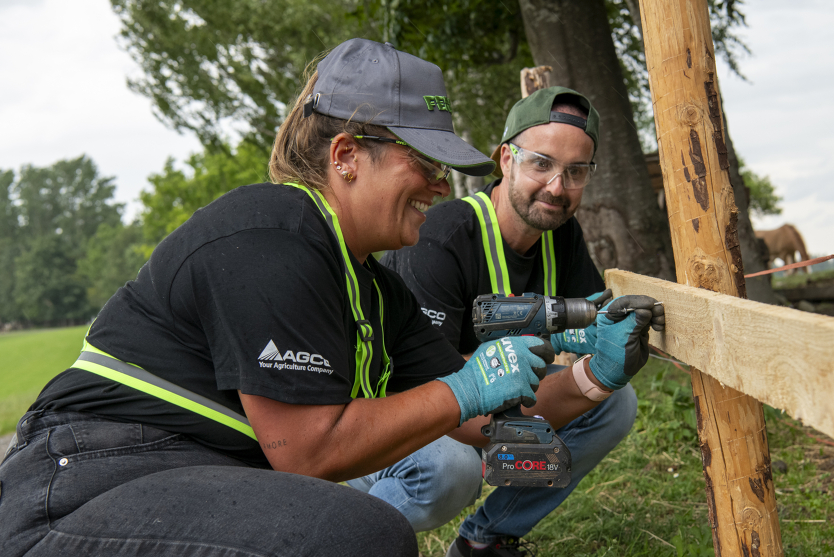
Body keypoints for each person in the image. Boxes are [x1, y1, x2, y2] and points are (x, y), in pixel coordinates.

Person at [0, 39, 659, 557]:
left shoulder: (374, 288)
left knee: (353, 529)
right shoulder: (274, 230)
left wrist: (594, 378)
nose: (438, 186)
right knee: (356, 535)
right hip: (86, 482)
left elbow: (479, 420)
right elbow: (307, 452)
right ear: (347, 154)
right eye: (424, 163)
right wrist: (465, 387)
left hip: (185, 474)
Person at [378, 86, 665, 556]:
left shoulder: (560, 232)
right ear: (506, 159)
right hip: (400, 415)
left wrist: (604, 333)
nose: (557, 186)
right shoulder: (442, 239)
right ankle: (335, 534)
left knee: (615, 404)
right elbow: (434, 390)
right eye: (541, 163)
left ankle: (483, 541)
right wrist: (578, 374)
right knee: (453, 469)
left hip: (489, 401)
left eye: (576, 171)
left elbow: (586, 317)